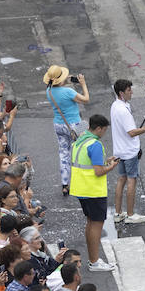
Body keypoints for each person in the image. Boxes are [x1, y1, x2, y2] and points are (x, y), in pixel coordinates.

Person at [69, 115, 118, 272]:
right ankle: (95, 262)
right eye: (104, 130)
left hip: (81, 189)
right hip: (93, 190)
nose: (104, 133)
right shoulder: (95, 144)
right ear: (98, 128)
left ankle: (93, 259)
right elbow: (98, 172)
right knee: (96, 225)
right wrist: (111, 166)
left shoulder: (81, 141)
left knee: (90, 223)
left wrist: (105, 162)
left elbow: (89, 164)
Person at [109, 79, 145, 225]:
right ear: (121, 93)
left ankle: (118, 213)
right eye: (129, 90)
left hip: (119, 150)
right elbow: (131, 132)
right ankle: (130, 214)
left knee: (121, 179)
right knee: (131, 180)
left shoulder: (115, 105)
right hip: (129, 151)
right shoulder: (123, 110)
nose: (131, 92)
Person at [44, 66, 89, 197]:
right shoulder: (68, 92)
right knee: (83, 146)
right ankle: (83, 178)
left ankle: (65, 184)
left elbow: (58, 87)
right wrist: (83, 84)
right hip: (74, 125)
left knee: (64, 153)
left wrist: (65, 81)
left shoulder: (49, 91)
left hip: (58, 125)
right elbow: (86, 99)